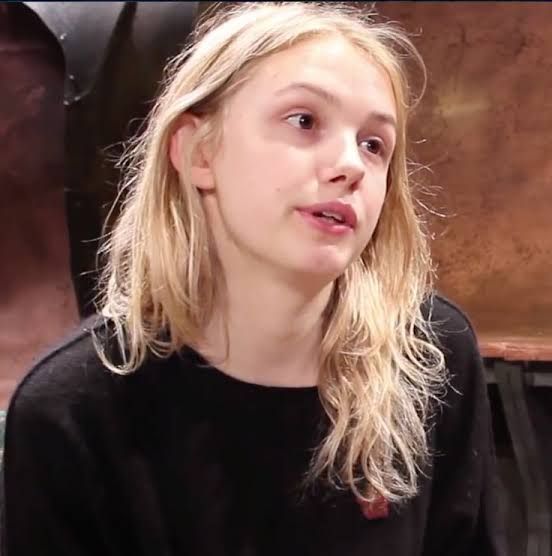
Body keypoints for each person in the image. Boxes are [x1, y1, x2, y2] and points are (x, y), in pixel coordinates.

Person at [1, 2, 503, 555]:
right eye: (304, 121)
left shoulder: (433, 355)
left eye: (374, 144)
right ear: (197, 153)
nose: (351, 165)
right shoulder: (68, 411)